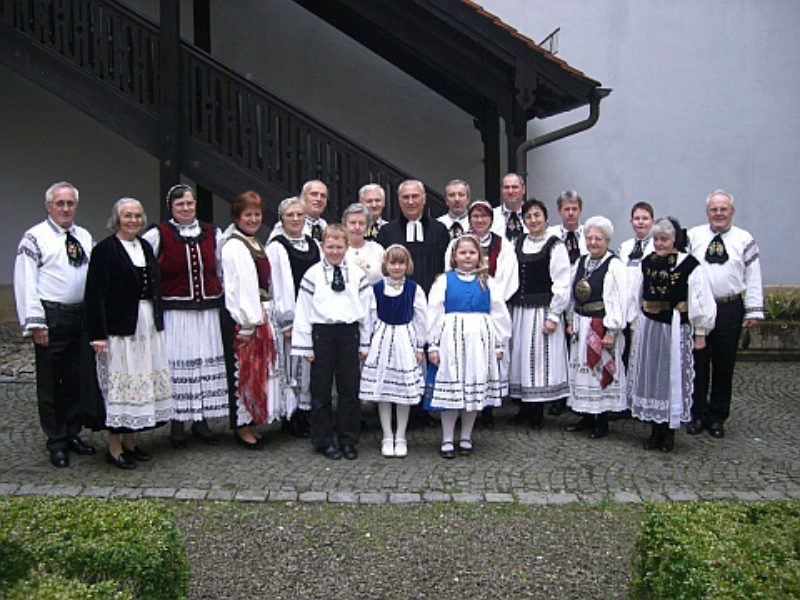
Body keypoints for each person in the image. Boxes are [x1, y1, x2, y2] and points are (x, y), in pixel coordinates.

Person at [14, 181, 97, 467]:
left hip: (79, 317)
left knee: (76, 379)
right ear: (48, 206)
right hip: (52, 317)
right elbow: (26, 282)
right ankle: (56, 440)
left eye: (70, 203)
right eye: (59, 203)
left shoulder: (84, 236)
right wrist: (37, 324)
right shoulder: (34, 238)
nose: (65, 208)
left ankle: (73, 432)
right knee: (51, 383)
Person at [86, 198, 173, 469]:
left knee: (140, 378)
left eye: (137, 215)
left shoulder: (145, 246)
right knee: (120, 384)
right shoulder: (105, 250)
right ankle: (114, 446)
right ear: (117, 219)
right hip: (120, 328)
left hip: (146, 324)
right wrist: (98, 334)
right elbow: (95, 296)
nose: (133, 220)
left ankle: (130, 441)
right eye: (127, 216)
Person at [142, 184, 227, 449]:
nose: (186, 208)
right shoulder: (159, 234)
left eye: (189, 203)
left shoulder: (213, 232)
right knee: (179, 364)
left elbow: (222, 269)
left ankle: (201, 421)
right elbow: (145, 267)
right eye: (180, 205)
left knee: (203, 363)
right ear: (172, 207)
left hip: (208, 313)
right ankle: (178, 424)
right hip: (176, 314)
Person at [627, 218, 716, 452]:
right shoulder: (647, 263)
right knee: (652, 375)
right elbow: (637, 296)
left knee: (671, 376)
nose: (659, 243)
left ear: (674, 240)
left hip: (675, 327)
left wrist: (700, 332)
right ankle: (655, 430)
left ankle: (669, 433)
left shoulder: (689, 265)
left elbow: (700, 299)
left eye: (664, 239)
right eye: (656, 239)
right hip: (650, 326)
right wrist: (635, 325)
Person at [292, 224, 372, 460]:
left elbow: (368, 309)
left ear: (347, 246)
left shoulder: (357, 274)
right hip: (321, 334)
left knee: (349, 389)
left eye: (339, 246)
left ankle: (349, 439)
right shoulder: (313, 274)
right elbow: (303, 310)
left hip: (349, 334)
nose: (335, 251)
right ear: (322, 246)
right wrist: (305, 345)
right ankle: (323, 439)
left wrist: (364, 342)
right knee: (321, 390)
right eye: (330, 247)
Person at [687, 190, 763, 438]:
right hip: (699, 310)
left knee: (724, 364)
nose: (718, 213)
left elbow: (753, 277)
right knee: (697, 363)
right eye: (714, 209)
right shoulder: (693, 236)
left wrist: (753, 310)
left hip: (729, 307)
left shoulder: (744, 238)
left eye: (723, 209)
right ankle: (697, 413)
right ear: (707, 212)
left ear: (732, 211)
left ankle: (718, 416)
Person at [427, 235, 511, 458]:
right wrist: (432, 344)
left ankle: (466, 436)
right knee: (452, 389)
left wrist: (498, 344)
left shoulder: (488, 281)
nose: (467, 256)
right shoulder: (444, 281)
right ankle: (447, 438)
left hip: (479, 342)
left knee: (473, 388)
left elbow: (499, 314)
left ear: (479, 256)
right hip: (451, 340)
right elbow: (434, 312)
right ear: (454, 256)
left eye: (472, 253)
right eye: (462, 252)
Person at [444, 199, 519, 428]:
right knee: (462, 364)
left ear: (491, 219)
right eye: (475, 216)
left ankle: (486, 411)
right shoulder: (458, 242)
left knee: (486, 363)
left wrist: (487, 295)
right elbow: (449, 270)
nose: (479, 220)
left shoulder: (502, 244)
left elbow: (508, 274)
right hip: (462, 312)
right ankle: (459, 408)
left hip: (488, 310)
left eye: (484, 216)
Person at [220, 191, 282, 449]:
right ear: (237, 216)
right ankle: (242, 426)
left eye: (257, 214)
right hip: (244, 318)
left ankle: (252, 421)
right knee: (244, 372)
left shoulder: (252, 241)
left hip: (258, 314)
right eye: (248, 214)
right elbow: (240, 287)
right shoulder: (235, 245)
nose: (253, 219)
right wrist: (247, 322)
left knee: (257, 371)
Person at [508, 199, 571, 429]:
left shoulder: (555, 245)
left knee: (538, 361)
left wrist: (554, 315)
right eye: (529, 217)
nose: (533, 220)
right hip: (521, 311)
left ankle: (537, 412)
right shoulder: (518, 242)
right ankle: (524, 408)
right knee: (521, 357)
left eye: (537, 215)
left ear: (545, 217)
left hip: (542, 310)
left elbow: (563, 282)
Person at [360, 245, 427, 458]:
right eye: (393, 263)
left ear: (407, 265)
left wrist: (419, 345)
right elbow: (369, 317)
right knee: (384, 391)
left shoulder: (414, 289)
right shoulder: (377, 288)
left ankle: (401, 435)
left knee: (402, 392)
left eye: (401, 263)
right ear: (385, 265)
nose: (397, 267)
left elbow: (421, 319)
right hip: (382, 339)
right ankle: (387, 435)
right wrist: (367, 343)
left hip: (404, 340)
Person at [565, 216, 628, 439]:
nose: (593, 242)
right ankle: (586, 415)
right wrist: (571, 320)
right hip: (582, 323)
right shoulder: (581, 262)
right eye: (589, 238)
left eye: (598, 239)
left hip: (601, 325)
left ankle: (601, 420)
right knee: (583, 371)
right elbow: (571, 294)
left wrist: (612, 331)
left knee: (600, 369)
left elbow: (621, 300)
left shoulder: (615, 265)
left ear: (607, 240)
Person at [265, 196, 320, 436]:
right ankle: (291, 416)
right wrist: (287, 321)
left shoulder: (313, 243)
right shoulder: (277, 246)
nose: (296, 219)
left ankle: (306, 412)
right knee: (290, 366)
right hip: (291, 316)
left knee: (307, 367)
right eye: (290, 215)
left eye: (300, 215)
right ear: (282, 219)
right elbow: (279, 285)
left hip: (312, 314)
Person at [545, 189, 587, 416]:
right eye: (566, 209)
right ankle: (558, 396)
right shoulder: (551, 235)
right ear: (559, 211)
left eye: (574, 209)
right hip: (556, 297)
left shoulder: (588, 234)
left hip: (581, 299)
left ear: (580, 210)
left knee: (578, 349)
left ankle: (578, 394)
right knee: (558, 349)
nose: (570, 214)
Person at [376, 179, 450, 295]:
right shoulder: (387, 231)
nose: (410, 202)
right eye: (405, 197)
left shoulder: (439, 230)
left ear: (424, 198)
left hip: (433, 294)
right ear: (399, 201)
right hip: (397, 295)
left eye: (415, 196)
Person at [617, 201, 655, 367]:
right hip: (625, 309)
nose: (640, 222)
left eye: (645, 218)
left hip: (645, 310)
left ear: (652, 222)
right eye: (637, 218)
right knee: (625, 355)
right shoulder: (624, 247)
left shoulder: (657, 247)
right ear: (631, 222)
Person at [342, 202, 385, 284]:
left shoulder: (377, 249)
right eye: (353, 223)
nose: (357, 227)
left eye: (361, 223)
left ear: (368, 226)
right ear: (345, 225)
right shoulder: (337, 249)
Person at [491, 173, 526, 243]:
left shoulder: (533, 217)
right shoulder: (491, 216)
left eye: (515, 187)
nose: (510, 191)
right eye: (506, 187)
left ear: (523, 189)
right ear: (501, 190)